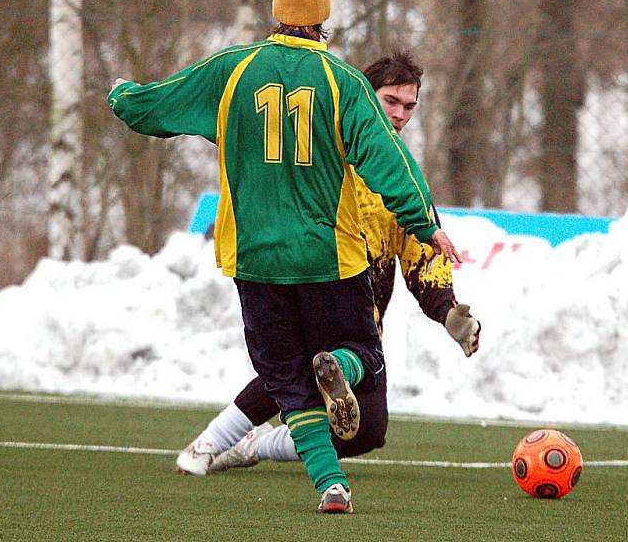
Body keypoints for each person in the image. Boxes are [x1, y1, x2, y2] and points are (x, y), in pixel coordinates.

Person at [107, 0, 461, 514]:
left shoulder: (233, 69)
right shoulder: (343, 82)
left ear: (275, 12)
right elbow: (388, 161)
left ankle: (332, 484)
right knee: (364, 354)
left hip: (255, 258)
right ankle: (338, 369)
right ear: (324, 17)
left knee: (289, 381)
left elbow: (158, 106)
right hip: (327, 257)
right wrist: (425, 224)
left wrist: (123, 97)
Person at [174, 50, 482, 478]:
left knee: (368, 429)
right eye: (390, 101)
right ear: (362, 97)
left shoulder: (398, 175)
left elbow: (420, 252)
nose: (399, 115)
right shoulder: (328, 159)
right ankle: (212, 441)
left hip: (361, 321)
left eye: (409, 106)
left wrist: (448, 311)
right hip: (310, 284)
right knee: (296, 363)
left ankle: (256, 444)